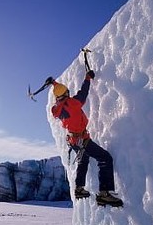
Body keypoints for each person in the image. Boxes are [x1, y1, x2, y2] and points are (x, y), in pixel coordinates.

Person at [49, 70, 123, 207]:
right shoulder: (72, 104)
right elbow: (83, 93)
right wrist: (87, 78)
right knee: (105, 159)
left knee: (83, 159)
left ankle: (79, 189)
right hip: (82, 139)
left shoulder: (56, 109)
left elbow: (61, 92)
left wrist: (54, 83)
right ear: (66, 95)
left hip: (73, 140)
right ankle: (104, 194)